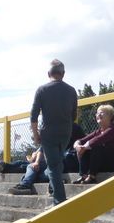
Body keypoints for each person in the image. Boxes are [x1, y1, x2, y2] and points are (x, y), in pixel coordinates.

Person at [29, 59, 78, 204]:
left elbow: (33, 116)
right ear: (63, 74)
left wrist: (36, 134)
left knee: (53, 166)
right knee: (58, 161)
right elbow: (74, 115)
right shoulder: (71, 90)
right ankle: (53, 189)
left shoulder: (42, 90)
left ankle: (59, 200)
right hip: (65, 132)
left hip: (48, 132)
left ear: (48, 73)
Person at [72, 104, 114, 184]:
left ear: (110, 116)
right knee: (83, 148)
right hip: (105, 163)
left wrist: (83, 147)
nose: (98, 115)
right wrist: (77, 145)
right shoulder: (98, 131)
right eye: (97, 113)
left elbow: (98, 140)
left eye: (102, 113)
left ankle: (92, 177)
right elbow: (81, 140)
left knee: (95, 146)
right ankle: (84, 176)